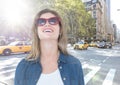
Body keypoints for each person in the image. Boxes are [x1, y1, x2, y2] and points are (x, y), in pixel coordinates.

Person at [14, 8, 85, 85]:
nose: (47, 24)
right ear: (36, 31)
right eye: (41, 21)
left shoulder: (74, 64)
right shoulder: (23, 66)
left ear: (60, 30)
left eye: (53, 21)